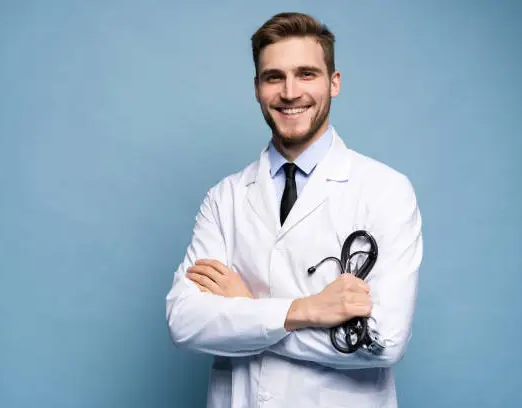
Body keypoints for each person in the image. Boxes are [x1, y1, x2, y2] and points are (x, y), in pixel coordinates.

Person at [165, 11, 423, 408]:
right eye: (274, 77)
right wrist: (306, 310)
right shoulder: (225, 198)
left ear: (333, 83)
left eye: (306, 74)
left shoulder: (386, 191)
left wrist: (248, 312)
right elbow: (185, 323)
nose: (289, 92)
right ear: (256, 88)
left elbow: (383, 342)